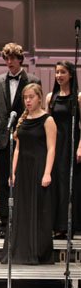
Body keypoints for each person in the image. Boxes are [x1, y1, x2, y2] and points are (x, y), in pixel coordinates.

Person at [0, 43, 41, 239]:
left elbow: (36, 111)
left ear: (20, 59)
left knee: (22, 180)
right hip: (2, 137)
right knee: (4, 182)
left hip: (25, 138)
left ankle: (22, 223)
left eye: (12, 58)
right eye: (6, 59)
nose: (9, 62)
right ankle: (4, 224)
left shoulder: (33, 80)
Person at [3, 84, 56, 264]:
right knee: (22, 209)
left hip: (39, 167)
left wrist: (47, 173)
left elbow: (51, 148)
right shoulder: (22, 120)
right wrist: (13, 171)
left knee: (38, 209)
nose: (27, 101)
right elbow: (18, 149)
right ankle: (20, 250)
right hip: (23, 169)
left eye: (31, 97)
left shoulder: (47, 120)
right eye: (25, 97)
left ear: (39, 98)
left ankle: (38, 251)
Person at [45, 61, 81, 239]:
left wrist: (80, 146)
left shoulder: (78, 97)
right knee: (56, 183)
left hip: (72, 144)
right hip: (55, 144)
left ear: (71, 75)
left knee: (69, 184)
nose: (59, 75)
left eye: (63, 72)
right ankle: (56, 225)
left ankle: (69, 225)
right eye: (57, 72)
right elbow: (47, 122)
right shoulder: (51, 97)